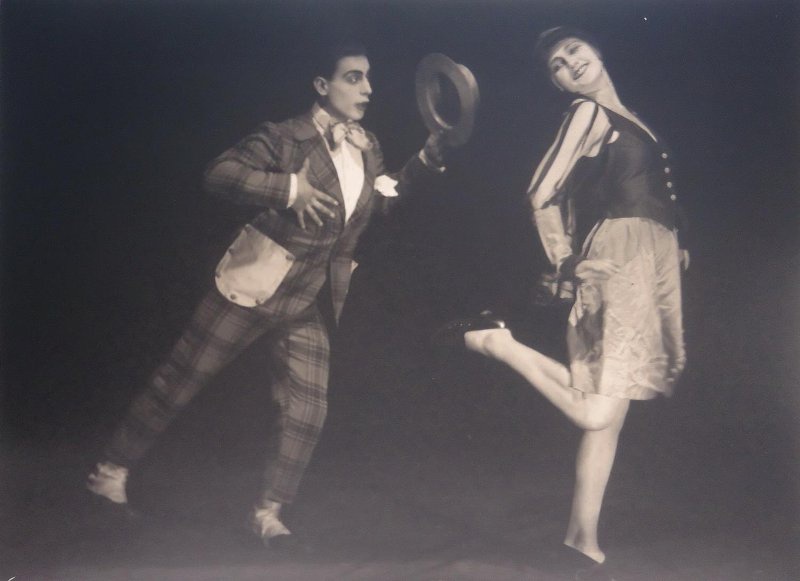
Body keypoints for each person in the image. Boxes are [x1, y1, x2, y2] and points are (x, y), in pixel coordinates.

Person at [86, 39, 448, 547]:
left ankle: (268, 513)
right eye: (353, 77)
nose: (368, 88)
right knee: (182, 378)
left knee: (307, 408)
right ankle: (109, 474)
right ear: (321, 85)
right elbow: (219, 174)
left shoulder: (367, 143)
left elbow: (380, 197)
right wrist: (289, 190)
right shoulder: (284, 136)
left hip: (309, 298)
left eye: (368, 77)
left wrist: (423, 163)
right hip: (254, 283)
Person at [435, 27, 688, 576]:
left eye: (573, 50)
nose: (568, 63)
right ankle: (496, 343)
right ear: (558, 83)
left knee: (609, 416)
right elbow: (541, 191)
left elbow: (648, 190)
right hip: (620, 259)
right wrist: (567, 261)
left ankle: (582, 541)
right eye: (556, 64)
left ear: (597, 49)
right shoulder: (587, 112)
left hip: (649, 261)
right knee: (598, 410)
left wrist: (674, 246)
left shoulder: (627, 117)